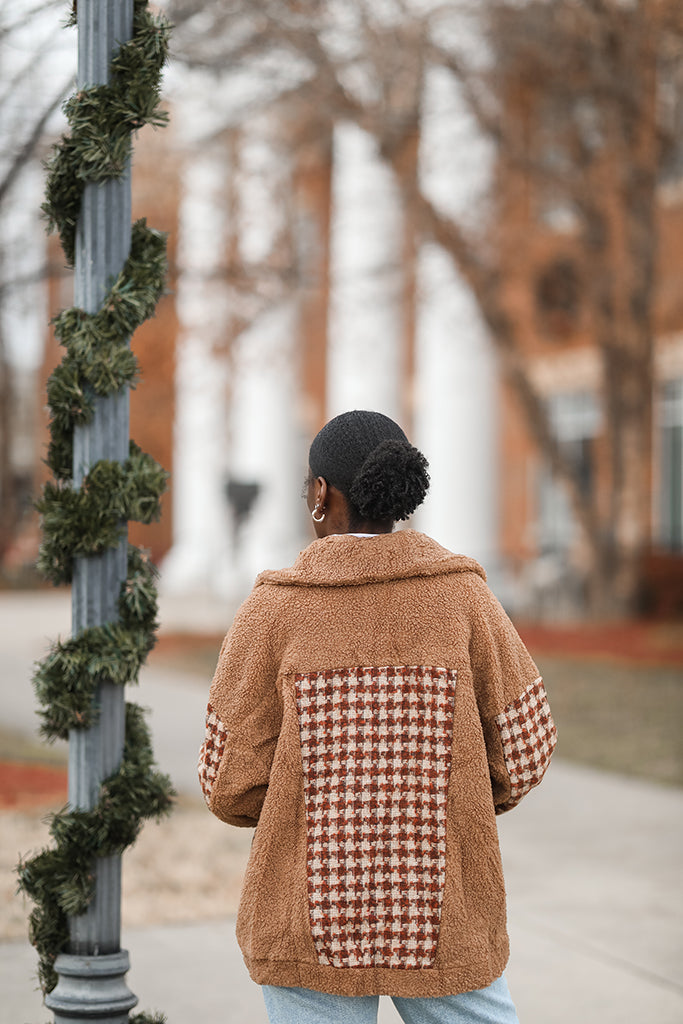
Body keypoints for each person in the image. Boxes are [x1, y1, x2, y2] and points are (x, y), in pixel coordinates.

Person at [198, 410, 557, 1024]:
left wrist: (305, 806)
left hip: (305, 920)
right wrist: (456, 798)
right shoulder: (462, 596)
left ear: (320, 493)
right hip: (445, 919)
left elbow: (227, 781)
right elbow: (526, 748)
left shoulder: (274, 611)